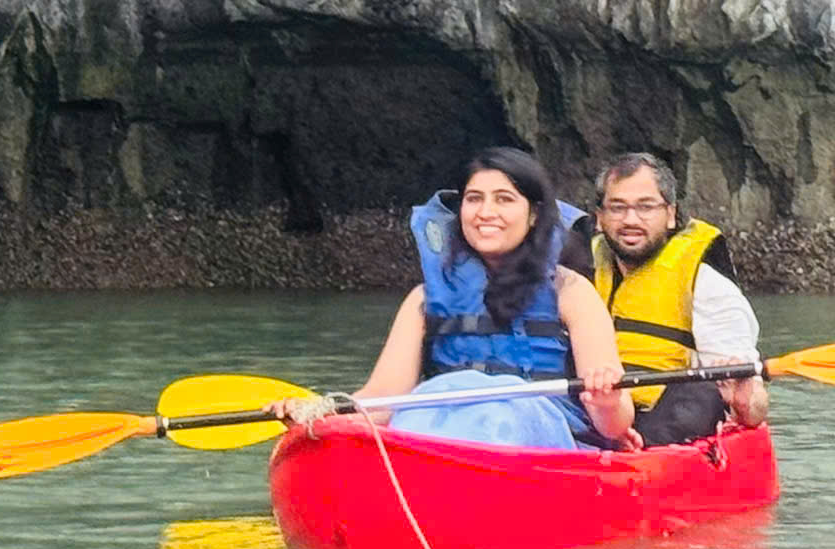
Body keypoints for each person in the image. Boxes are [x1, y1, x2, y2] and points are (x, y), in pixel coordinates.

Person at [276, 147, 636, 450]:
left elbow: (614, 426)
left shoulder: (571, 293)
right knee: (421, 414)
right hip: (441, 435)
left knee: (498, 415)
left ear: (534, 214)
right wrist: (318, 411)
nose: (485, 213)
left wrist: (606, 402)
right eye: (474, 199)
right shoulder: (424, 300)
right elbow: (382, 399)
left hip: (537, 439)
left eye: (504, 199)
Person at [589, 152, 769, 446]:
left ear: (670, 214)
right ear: (599, 218)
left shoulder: (707, 285)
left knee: (700, 395)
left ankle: (637, 453)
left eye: (646, 207)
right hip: (598, 411)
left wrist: (745, 402)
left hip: (665, 419)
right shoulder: (580, 272)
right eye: (617, 208)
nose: (630, 220)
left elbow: (754, 410)